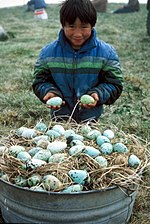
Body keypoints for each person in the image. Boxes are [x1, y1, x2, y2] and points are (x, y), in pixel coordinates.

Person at [32, 0, 123, 123]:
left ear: (92, 25)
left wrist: (98, 94)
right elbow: (39, 82)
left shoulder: (106, 53)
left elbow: (114, 84)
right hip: (59, 122)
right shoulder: (48, 53)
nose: (78, 33)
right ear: (63, 25)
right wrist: (49, 92)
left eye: (84, 26)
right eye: (71, 26)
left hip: (91, 122)